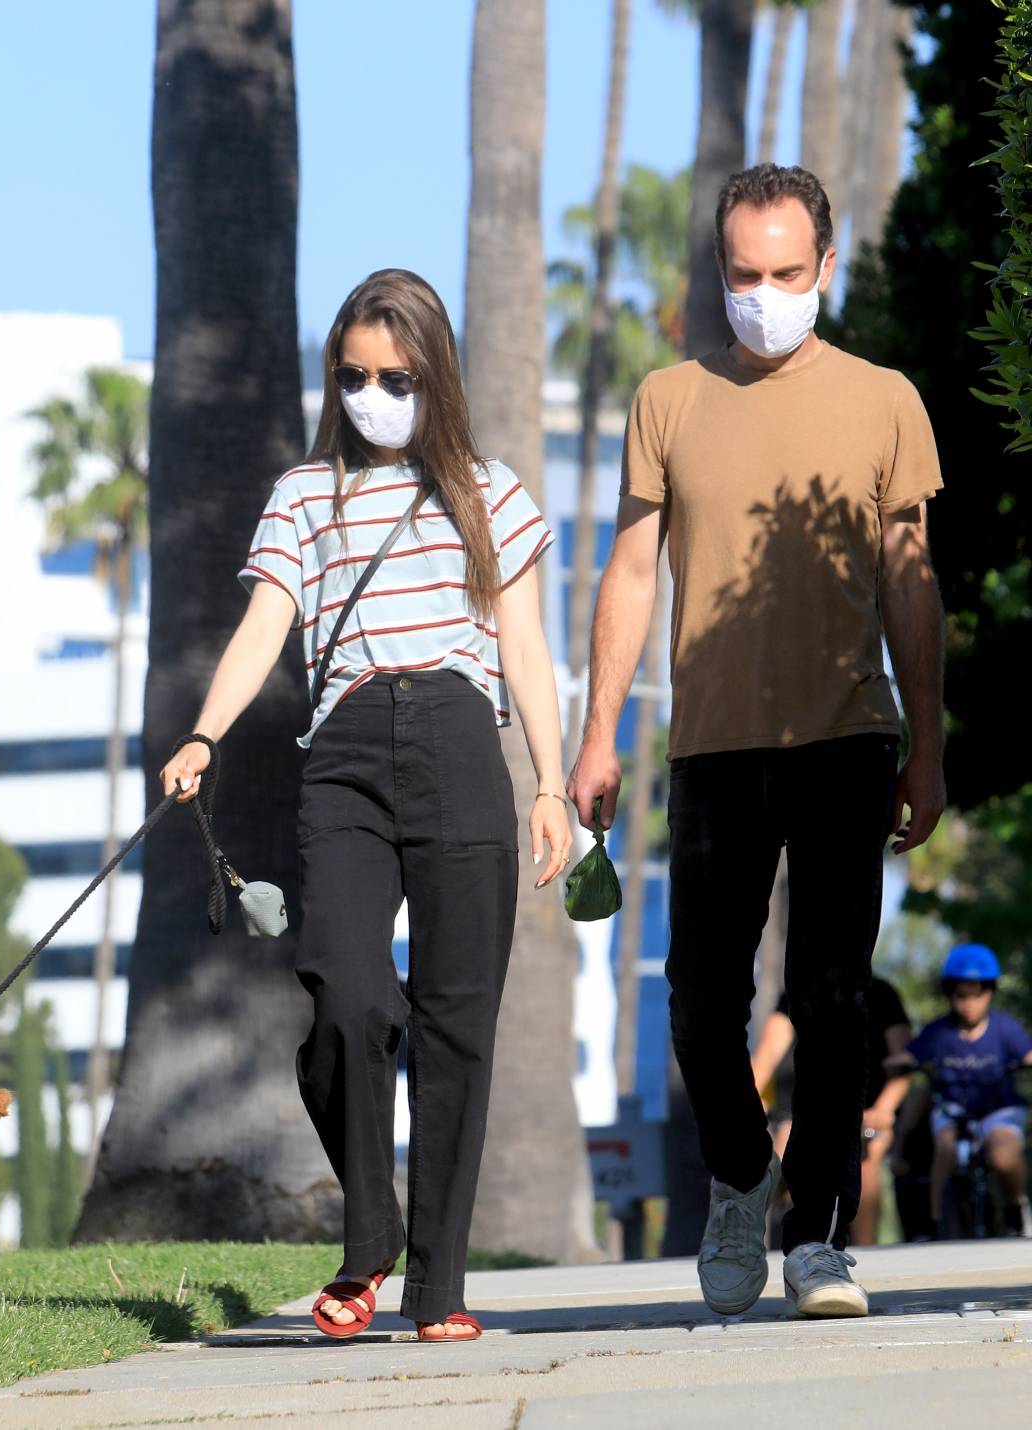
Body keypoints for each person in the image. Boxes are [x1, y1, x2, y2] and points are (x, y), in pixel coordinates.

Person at [160, 269, 570, 1343]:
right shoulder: (303, 494)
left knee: (454, 1026)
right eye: (351, 375)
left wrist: (552, 783)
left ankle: (433, 1284)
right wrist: (204, 731)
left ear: (434, 373)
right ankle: (372, 1219)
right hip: (340, 754)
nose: (372, 392)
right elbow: (263, 624)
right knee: (343, 991)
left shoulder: (493, 491)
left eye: (394, 375)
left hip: (459, 748)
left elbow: (526, 644)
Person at [567, 164, 946, 1319]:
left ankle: (818, 1236)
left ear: (824, 267)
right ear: (716, 273)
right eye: (743, 274)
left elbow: (910, 579)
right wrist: (595, 736)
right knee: (694, 999)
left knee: (832, 999)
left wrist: (926, 743)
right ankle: (744, 1173)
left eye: (787, 273)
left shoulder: (885, 398)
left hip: (847, 740)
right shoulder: (667, 398)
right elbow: (631, 570)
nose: (765, 293)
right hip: (713, 751)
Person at [751, 976, 913, 1245]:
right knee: (784, 1156)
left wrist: (884, 1108)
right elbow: (766, 1056)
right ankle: (786, 1245)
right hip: (800, 1110)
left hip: (865, 1112)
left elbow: (903, 1064)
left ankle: (866, 1249)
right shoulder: (798, 991)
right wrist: (751, 1102)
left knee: (865, 1158)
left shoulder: (881, 993)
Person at [898, 944, 1032, 1236]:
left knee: (1003, 1153)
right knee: (944, 1146)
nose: (969, 1003)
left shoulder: (1005, 1028)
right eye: (961, 996)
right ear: (950, 995)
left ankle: (1016, 1207)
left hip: (999, 1108)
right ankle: (936, 1224)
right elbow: (911, 1055)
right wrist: (897, 1062)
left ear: (990, 993)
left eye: (977, 995)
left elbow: (1026, 1054)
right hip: (953, 1109)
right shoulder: (938, 1032)